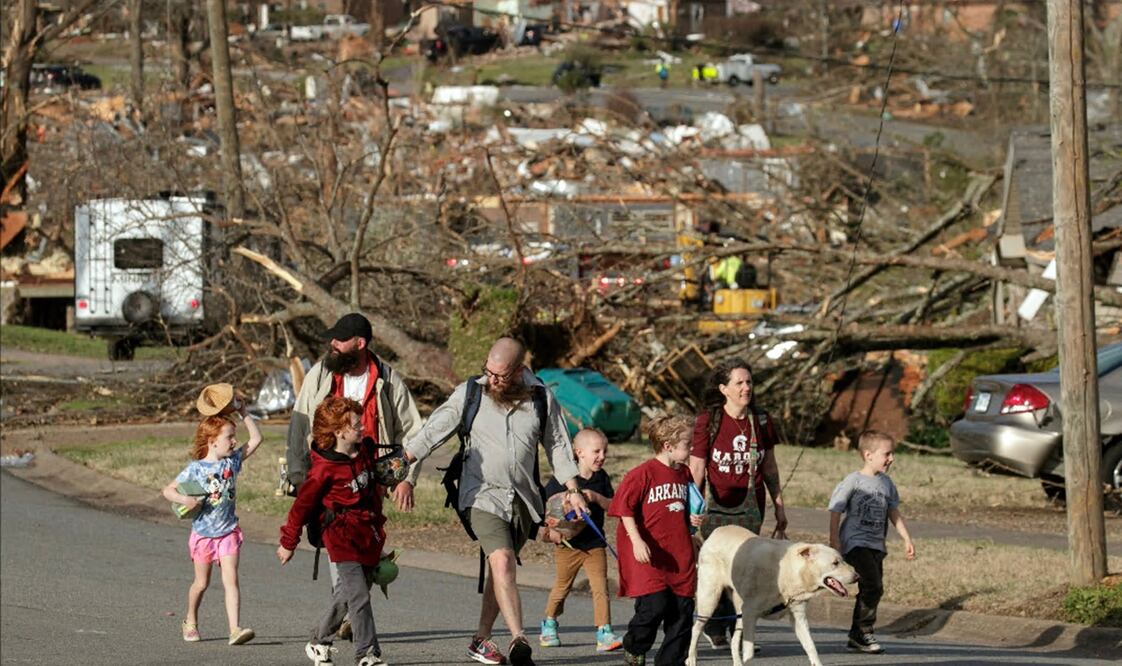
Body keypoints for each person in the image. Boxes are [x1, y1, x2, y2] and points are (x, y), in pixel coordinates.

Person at [403, 337, 588, 666]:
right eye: (488, 371)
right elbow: (434, 429)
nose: (492, 380)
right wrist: (404, 463)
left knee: (499, 571)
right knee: (502, 561)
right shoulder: (471, 392)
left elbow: (558, 445)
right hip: (481, 493)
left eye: (500, 375)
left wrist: (573, 489)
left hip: (521, 499)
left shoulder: (541, 398)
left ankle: (481, 639)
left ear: (519, 371)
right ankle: (519, 639)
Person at [286, 313, 423, 638]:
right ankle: (354, 625)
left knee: (364, 549)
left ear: (360, 344)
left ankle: (342, 614)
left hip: (370, 479)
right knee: (340, 545)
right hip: (328, 476)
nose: (332, 344)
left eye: (340, 339)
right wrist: (298, 473)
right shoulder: (321, 373)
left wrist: (406, 477)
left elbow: (415, 430)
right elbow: (300, 421)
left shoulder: (387, 380)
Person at [279, 397, 396, 666]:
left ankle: (318, 641)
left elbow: (371, 496)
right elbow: (301, 507)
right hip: (340, 537)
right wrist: (288, 542)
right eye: (356, 424)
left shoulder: (364, 451)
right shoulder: (323, 471)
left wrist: (379, 532)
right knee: (359, 595)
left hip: (366, 533)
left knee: (346, 596)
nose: (363, 427)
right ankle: (367, 654)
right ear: (339, 432)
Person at [688, 359, 787, 648]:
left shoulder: (761, 420)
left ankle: (742, 633)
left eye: (749, 382)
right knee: (719, 566)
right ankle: (717, 623)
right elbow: (696, 469)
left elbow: (769, 468)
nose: (746, 388)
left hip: (751, 508)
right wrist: (689, 511)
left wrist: (780, 507)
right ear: (724, 389)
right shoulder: (709, 420)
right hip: (716, 509)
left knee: (747, 569)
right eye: (739, 383)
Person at [162, 403, 263, 646]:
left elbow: (256, 438)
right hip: (203, 535)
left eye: (233, 437)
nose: (233, 441)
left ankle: (235, 629)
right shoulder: (196, 469)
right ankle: (190, 620)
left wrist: (243, 412)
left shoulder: (231, 463)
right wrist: (184, 499)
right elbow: (168, 490)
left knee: (231, 580)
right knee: (202, 583)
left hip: (228, 532)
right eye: (229, 437)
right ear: (212, 441)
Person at [609, 415, 704, 666]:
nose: (691, 448)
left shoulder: (684, 473)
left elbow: (681, 507)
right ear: (668, 445)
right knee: (655, 606)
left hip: (678, 553)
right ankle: (634, 644)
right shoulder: (642, 474)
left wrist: (690, 521)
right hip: (649, 553)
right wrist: (637, 541)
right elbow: (624, 509)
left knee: (682, 612)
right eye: (687, 443)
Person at [828, 430, 915, 655]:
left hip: (877, 544)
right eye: (887, 454)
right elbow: (836, 510)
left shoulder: (886, 483)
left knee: (872, 589)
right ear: (868, 455)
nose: (891, 458)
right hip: (855, 543)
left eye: (892, 454)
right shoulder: (853, 481)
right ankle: (862, 631)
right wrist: (834, 540)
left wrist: (906, 537)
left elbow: (893, 512)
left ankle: (857, 634)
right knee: (873, 585)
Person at [538, 428, 622, 653]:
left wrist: (595, 497)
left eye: (604, 451)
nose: (602, 456)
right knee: (562, 586)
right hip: (568, 545)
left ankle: (604, 632)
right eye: (596, 451)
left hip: (595, 543)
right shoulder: (562, 479)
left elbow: (613, 507)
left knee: (600, 587)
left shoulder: (602, 478)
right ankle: (549, 623)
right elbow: (544, 511)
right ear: (579, 452)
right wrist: (551, 532)